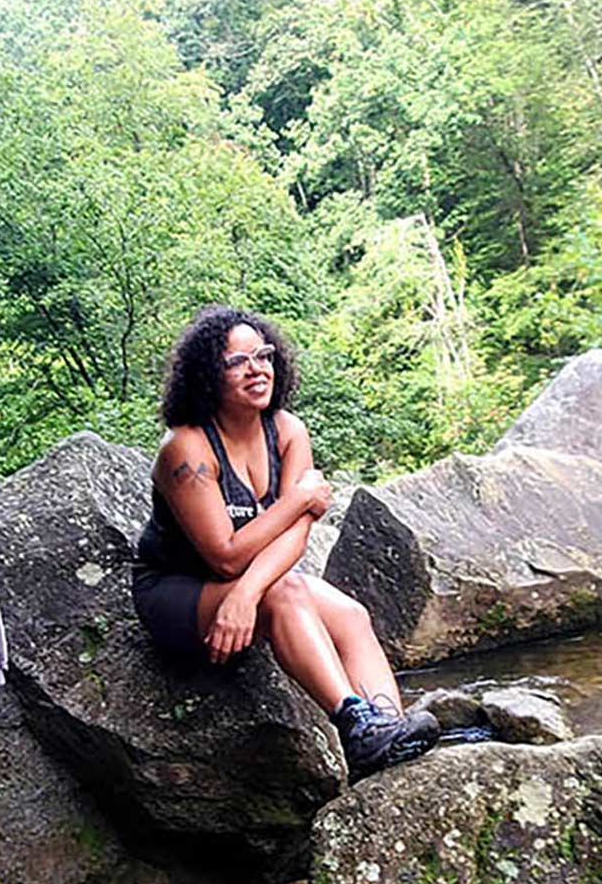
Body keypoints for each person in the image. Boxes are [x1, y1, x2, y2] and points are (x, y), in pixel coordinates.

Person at [131, 305, 438, 778]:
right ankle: (354, 725)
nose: (257, 370)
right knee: (288, 590)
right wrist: (298, 500)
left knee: (351, 615)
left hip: (249, 584)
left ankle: (387, 730)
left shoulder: (288, 431)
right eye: (238, 362)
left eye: (265, 355)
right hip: (179, 591)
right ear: (207, 376)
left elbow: (294, 539)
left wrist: (249, 594)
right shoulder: (186, 449)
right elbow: (225, 555)